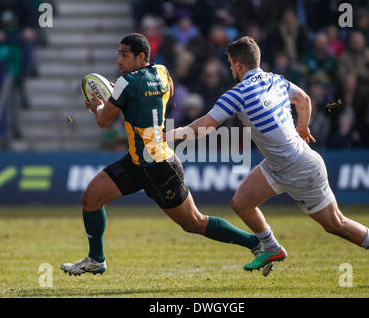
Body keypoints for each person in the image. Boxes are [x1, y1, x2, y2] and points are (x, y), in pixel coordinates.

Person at [166, 36, 369, 287]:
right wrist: (302, 127)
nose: (230, 69)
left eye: (230, 64)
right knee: (241, 203)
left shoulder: (237, 93)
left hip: (300, 167)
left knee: (336, 224)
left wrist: (165, 137)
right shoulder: (276, 79)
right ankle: (272, 247)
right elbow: (303, 99)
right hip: (277, 164)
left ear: (238, 65)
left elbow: (203, 127)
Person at [60, 33, 268, 276]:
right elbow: (163, 102)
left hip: (159, 166)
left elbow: (104, 121)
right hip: (140, 160)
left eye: (124, 54)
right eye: (118, 54)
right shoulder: (162, 72)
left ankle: (256, 243)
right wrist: (127, 103)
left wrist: (97, 106)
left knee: (194, 222)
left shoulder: (126, 82)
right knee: (91, 198)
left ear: (141, 57)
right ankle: (96, 259)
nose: (119, 60)